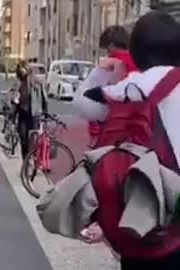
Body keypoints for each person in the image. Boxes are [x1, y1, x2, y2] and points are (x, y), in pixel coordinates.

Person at [74, 11, 180, 270]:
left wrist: (102, 71)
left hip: (133, 220)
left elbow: (82, 104)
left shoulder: (125, 88)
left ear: (134, 52)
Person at [88, 25, 137, 147]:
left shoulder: (109, 64)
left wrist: (94, 133)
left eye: (106, 49)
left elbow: (92, 101)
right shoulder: (138, 63)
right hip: (135, 128)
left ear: (111, 46)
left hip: (110, 127)